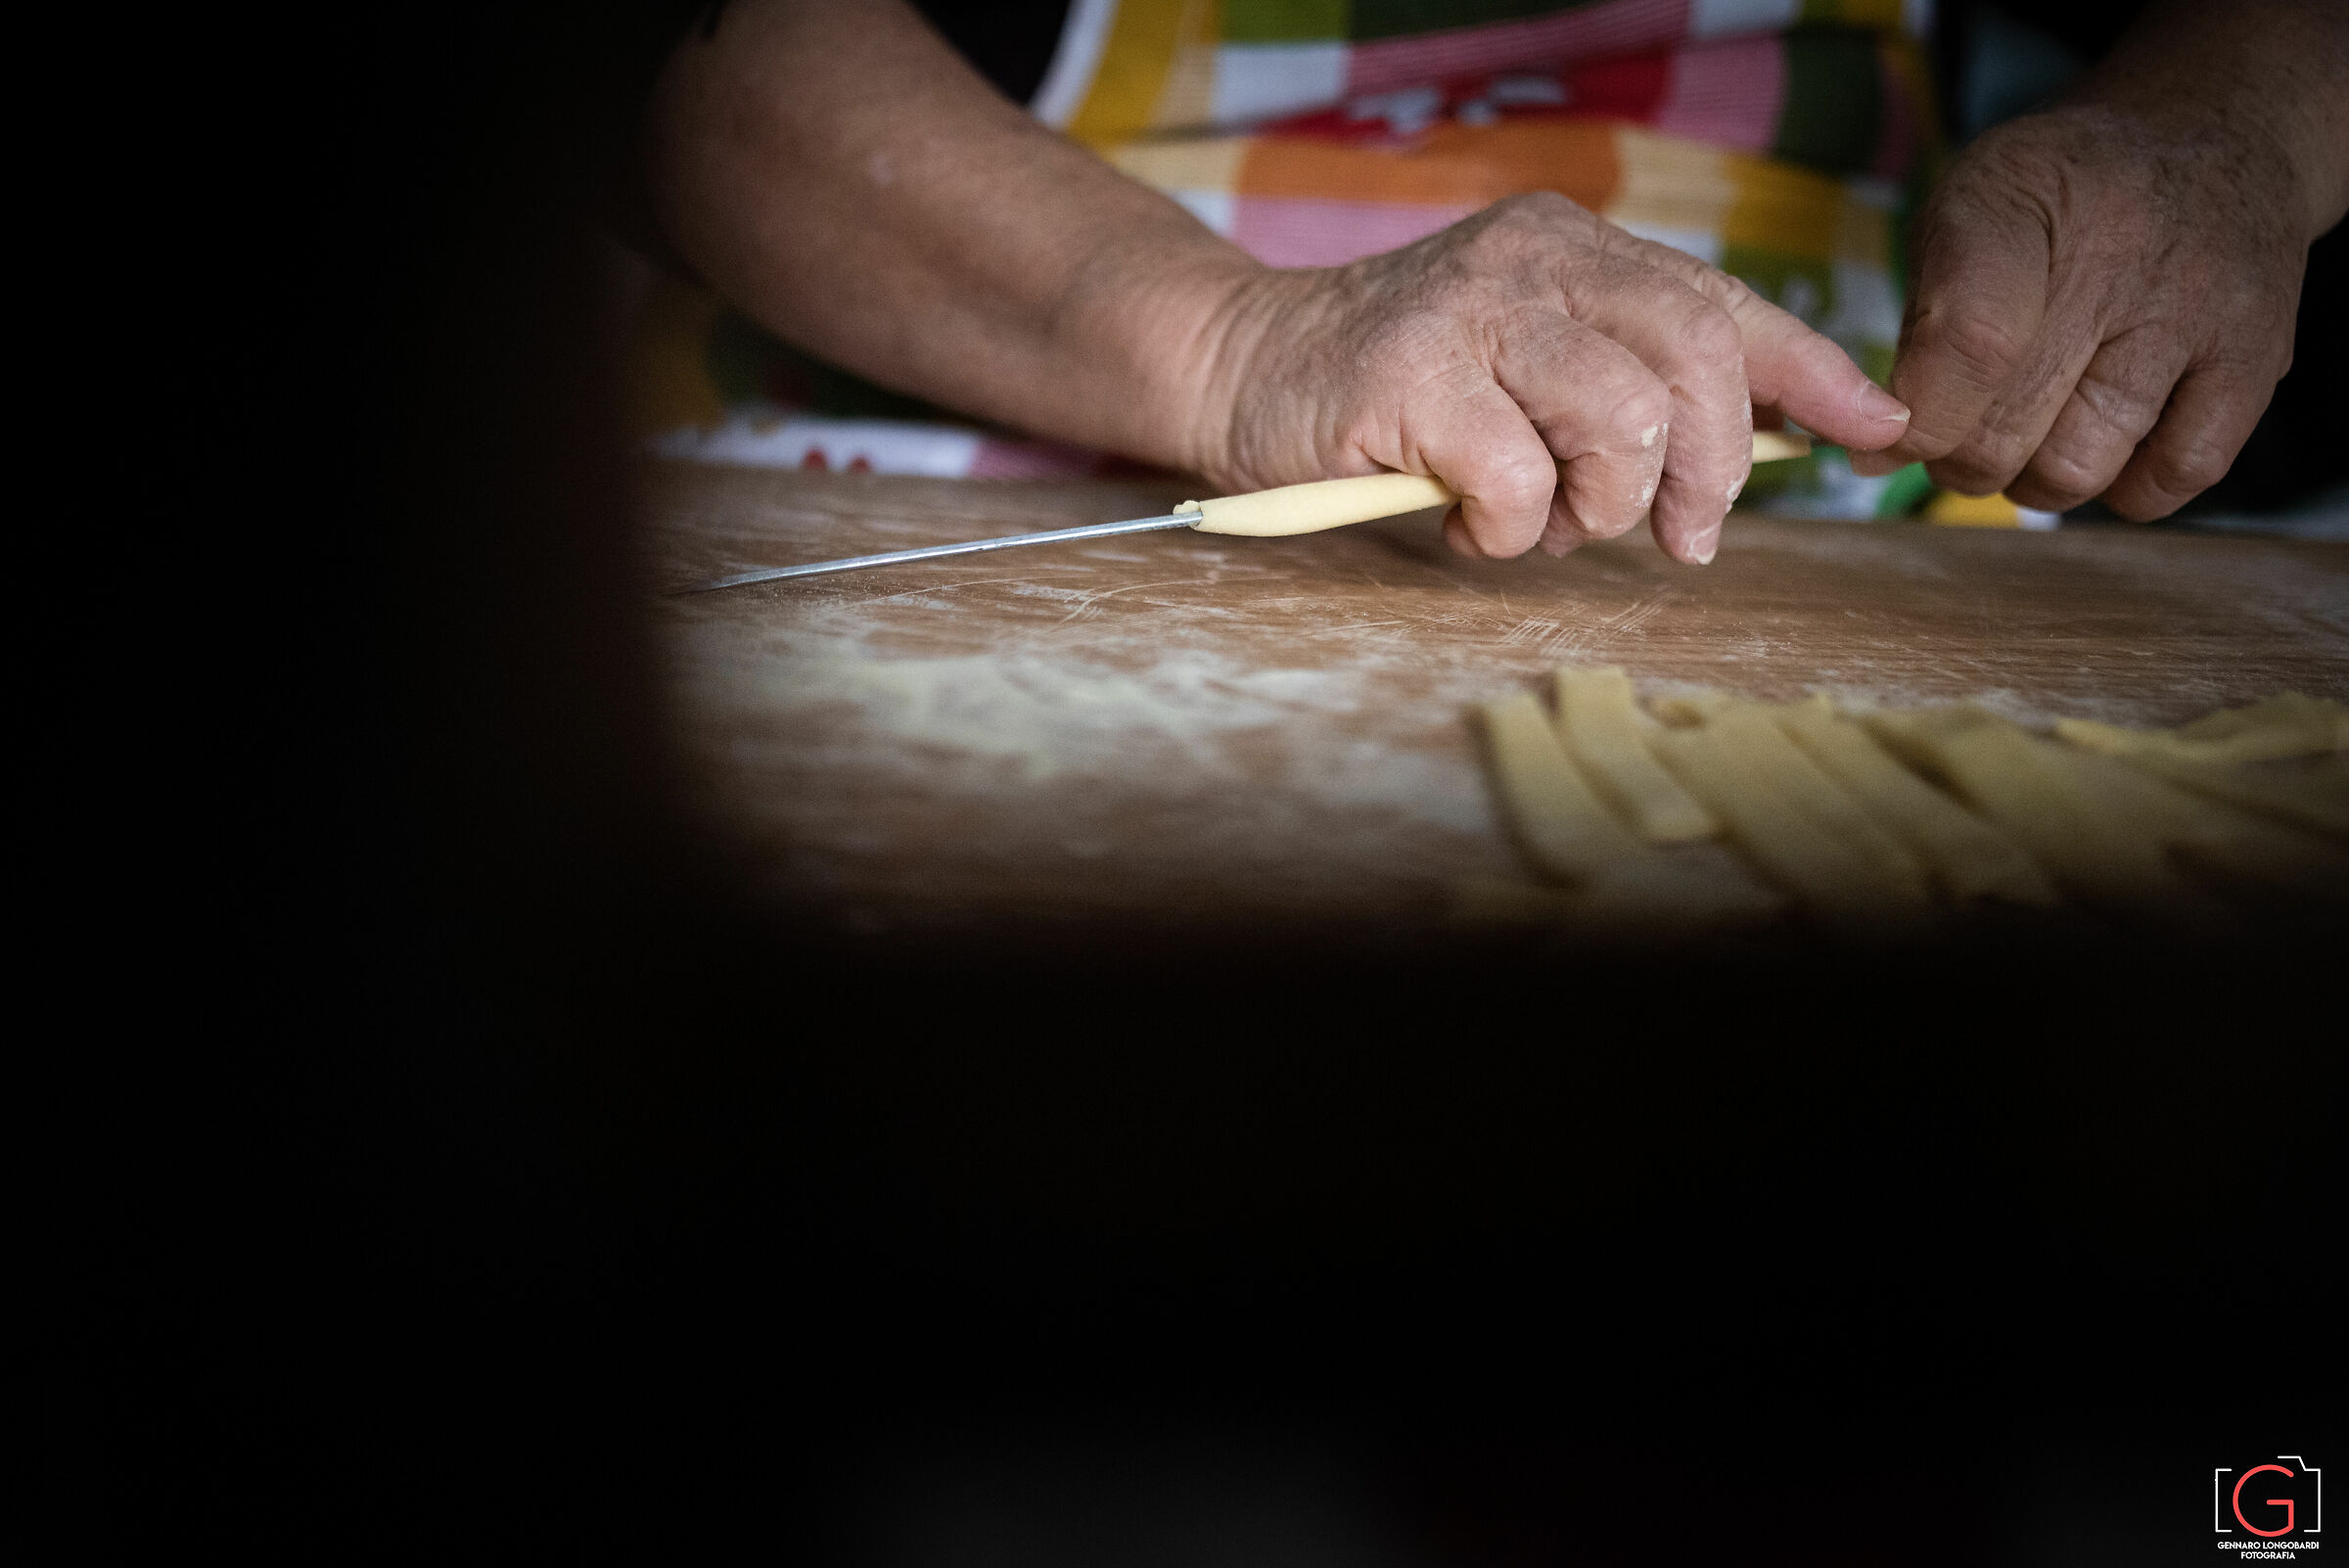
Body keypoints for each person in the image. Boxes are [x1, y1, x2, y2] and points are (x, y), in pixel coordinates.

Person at [636, 0, 2348, 564]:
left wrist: (2241, 127)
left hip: (1820, 504)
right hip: (960, 351)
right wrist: (1235, 343)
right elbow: (704, 66)